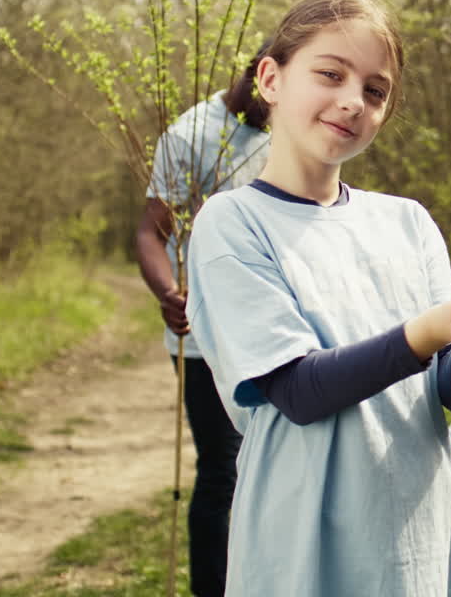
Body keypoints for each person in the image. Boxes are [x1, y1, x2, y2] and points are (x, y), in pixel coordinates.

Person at [184, 0, 451, 597]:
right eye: (330, 74)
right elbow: (298, 391)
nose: (351, 102)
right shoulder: (231, 223)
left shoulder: (407, 222)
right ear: (271, 78)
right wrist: (430, 332)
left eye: (375, 90)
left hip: (411, 532)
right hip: (302, 538)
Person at [134, 47, 273, 597]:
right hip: (203, 336)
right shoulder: (189, 135)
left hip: (272, 326)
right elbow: (151, 232)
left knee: (271, 466)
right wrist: (167, 291)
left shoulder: (294, 127)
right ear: (256, 76)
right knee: (224, 469)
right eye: (267, 94)